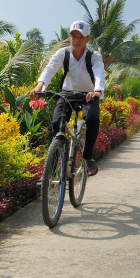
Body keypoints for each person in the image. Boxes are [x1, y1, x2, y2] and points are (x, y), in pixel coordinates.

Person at [28, 21, 105, 176]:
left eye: (80, 37)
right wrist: (39, 87)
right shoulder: (63, 53)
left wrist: (97, 91)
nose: (76, 40)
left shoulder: (93, 56)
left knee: (92, 118)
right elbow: (50, 69)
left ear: (88, 38)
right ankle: (51, 166)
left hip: (89, 95)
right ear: (69, 37)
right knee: (56, 124)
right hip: (68, 93)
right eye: (73, 36)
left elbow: (99, 73)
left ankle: (88, 156)